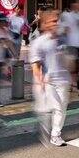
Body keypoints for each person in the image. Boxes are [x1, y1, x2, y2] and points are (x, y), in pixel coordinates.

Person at [30, 9, 71, 147]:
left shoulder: (62, 39)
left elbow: (66, 59)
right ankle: (51, 132)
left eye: (57, 20)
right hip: (49, 81)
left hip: (64, 80)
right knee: (54, 108)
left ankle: (55, 133)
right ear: (46, 24)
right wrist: (40, 80)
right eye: (53, 21)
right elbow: (36, 64)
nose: (56, 23)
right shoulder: (39, 42)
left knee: (61, 109)